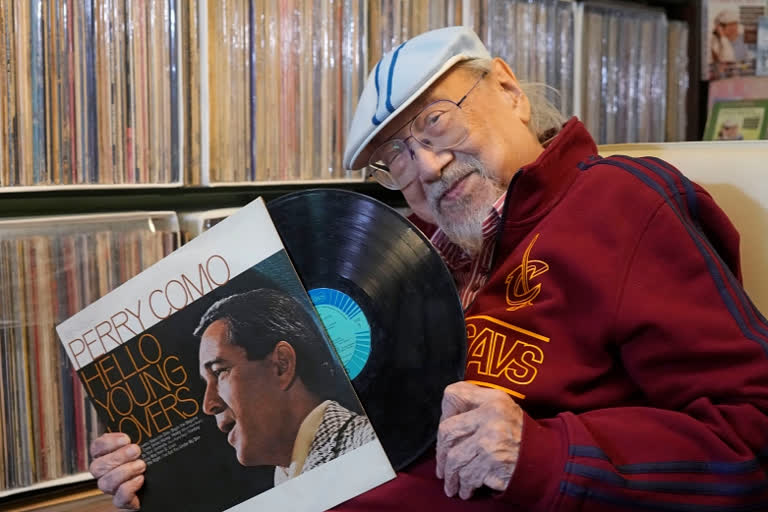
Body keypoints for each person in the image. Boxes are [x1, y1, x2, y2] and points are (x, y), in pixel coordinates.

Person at [90, 26, 768, 511]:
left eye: (437, 124)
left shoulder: (623, 204)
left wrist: (542, 455)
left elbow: (753, 434)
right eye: (397, 158)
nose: (428, 168)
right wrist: (160, 471)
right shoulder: (405, 251)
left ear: (508, 90)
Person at [89, 288, 375, 510]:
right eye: (206, 382)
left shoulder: (370, 447)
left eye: (220, 372)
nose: (208, 404)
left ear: (281, 365)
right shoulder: (288, 473)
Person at [710, 8, 750, 78]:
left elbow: (748, 64)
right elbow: (728, 58)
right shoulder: (716, 42)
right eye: (730, 25)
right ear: (720, 28)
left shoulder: (744, 39)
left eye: (735, 24)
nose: (734, 28)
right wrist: (723, 38)